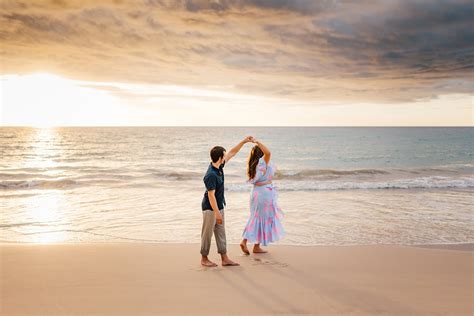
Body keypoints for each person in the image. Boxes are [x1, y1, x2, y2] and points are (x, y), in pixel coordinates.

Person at [200, 136, 253, 267]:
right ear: (219, 158)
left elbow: (232, 153)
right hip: (210, 208)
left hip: (219, 206)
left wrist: (244, 141)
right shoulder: (211, 175)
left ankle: (224, 258)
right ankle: (204, 258)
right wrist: (217, 213)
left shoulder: (219, 166)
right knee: (207, 234)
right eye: (223, 156)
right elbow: (211, 196)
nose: (226, 157)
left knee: (221, 232)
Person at [240, 139, 284, 255]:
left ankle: (255, 246)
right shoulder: (262, 162)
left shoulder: (252, 164)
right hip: (264, 194)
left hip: (255, 193)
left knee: (256, 218)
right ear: (261, 153)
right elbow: (268, 153)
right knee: (261, 219)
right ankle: (246, 242)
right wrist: (257, 142)